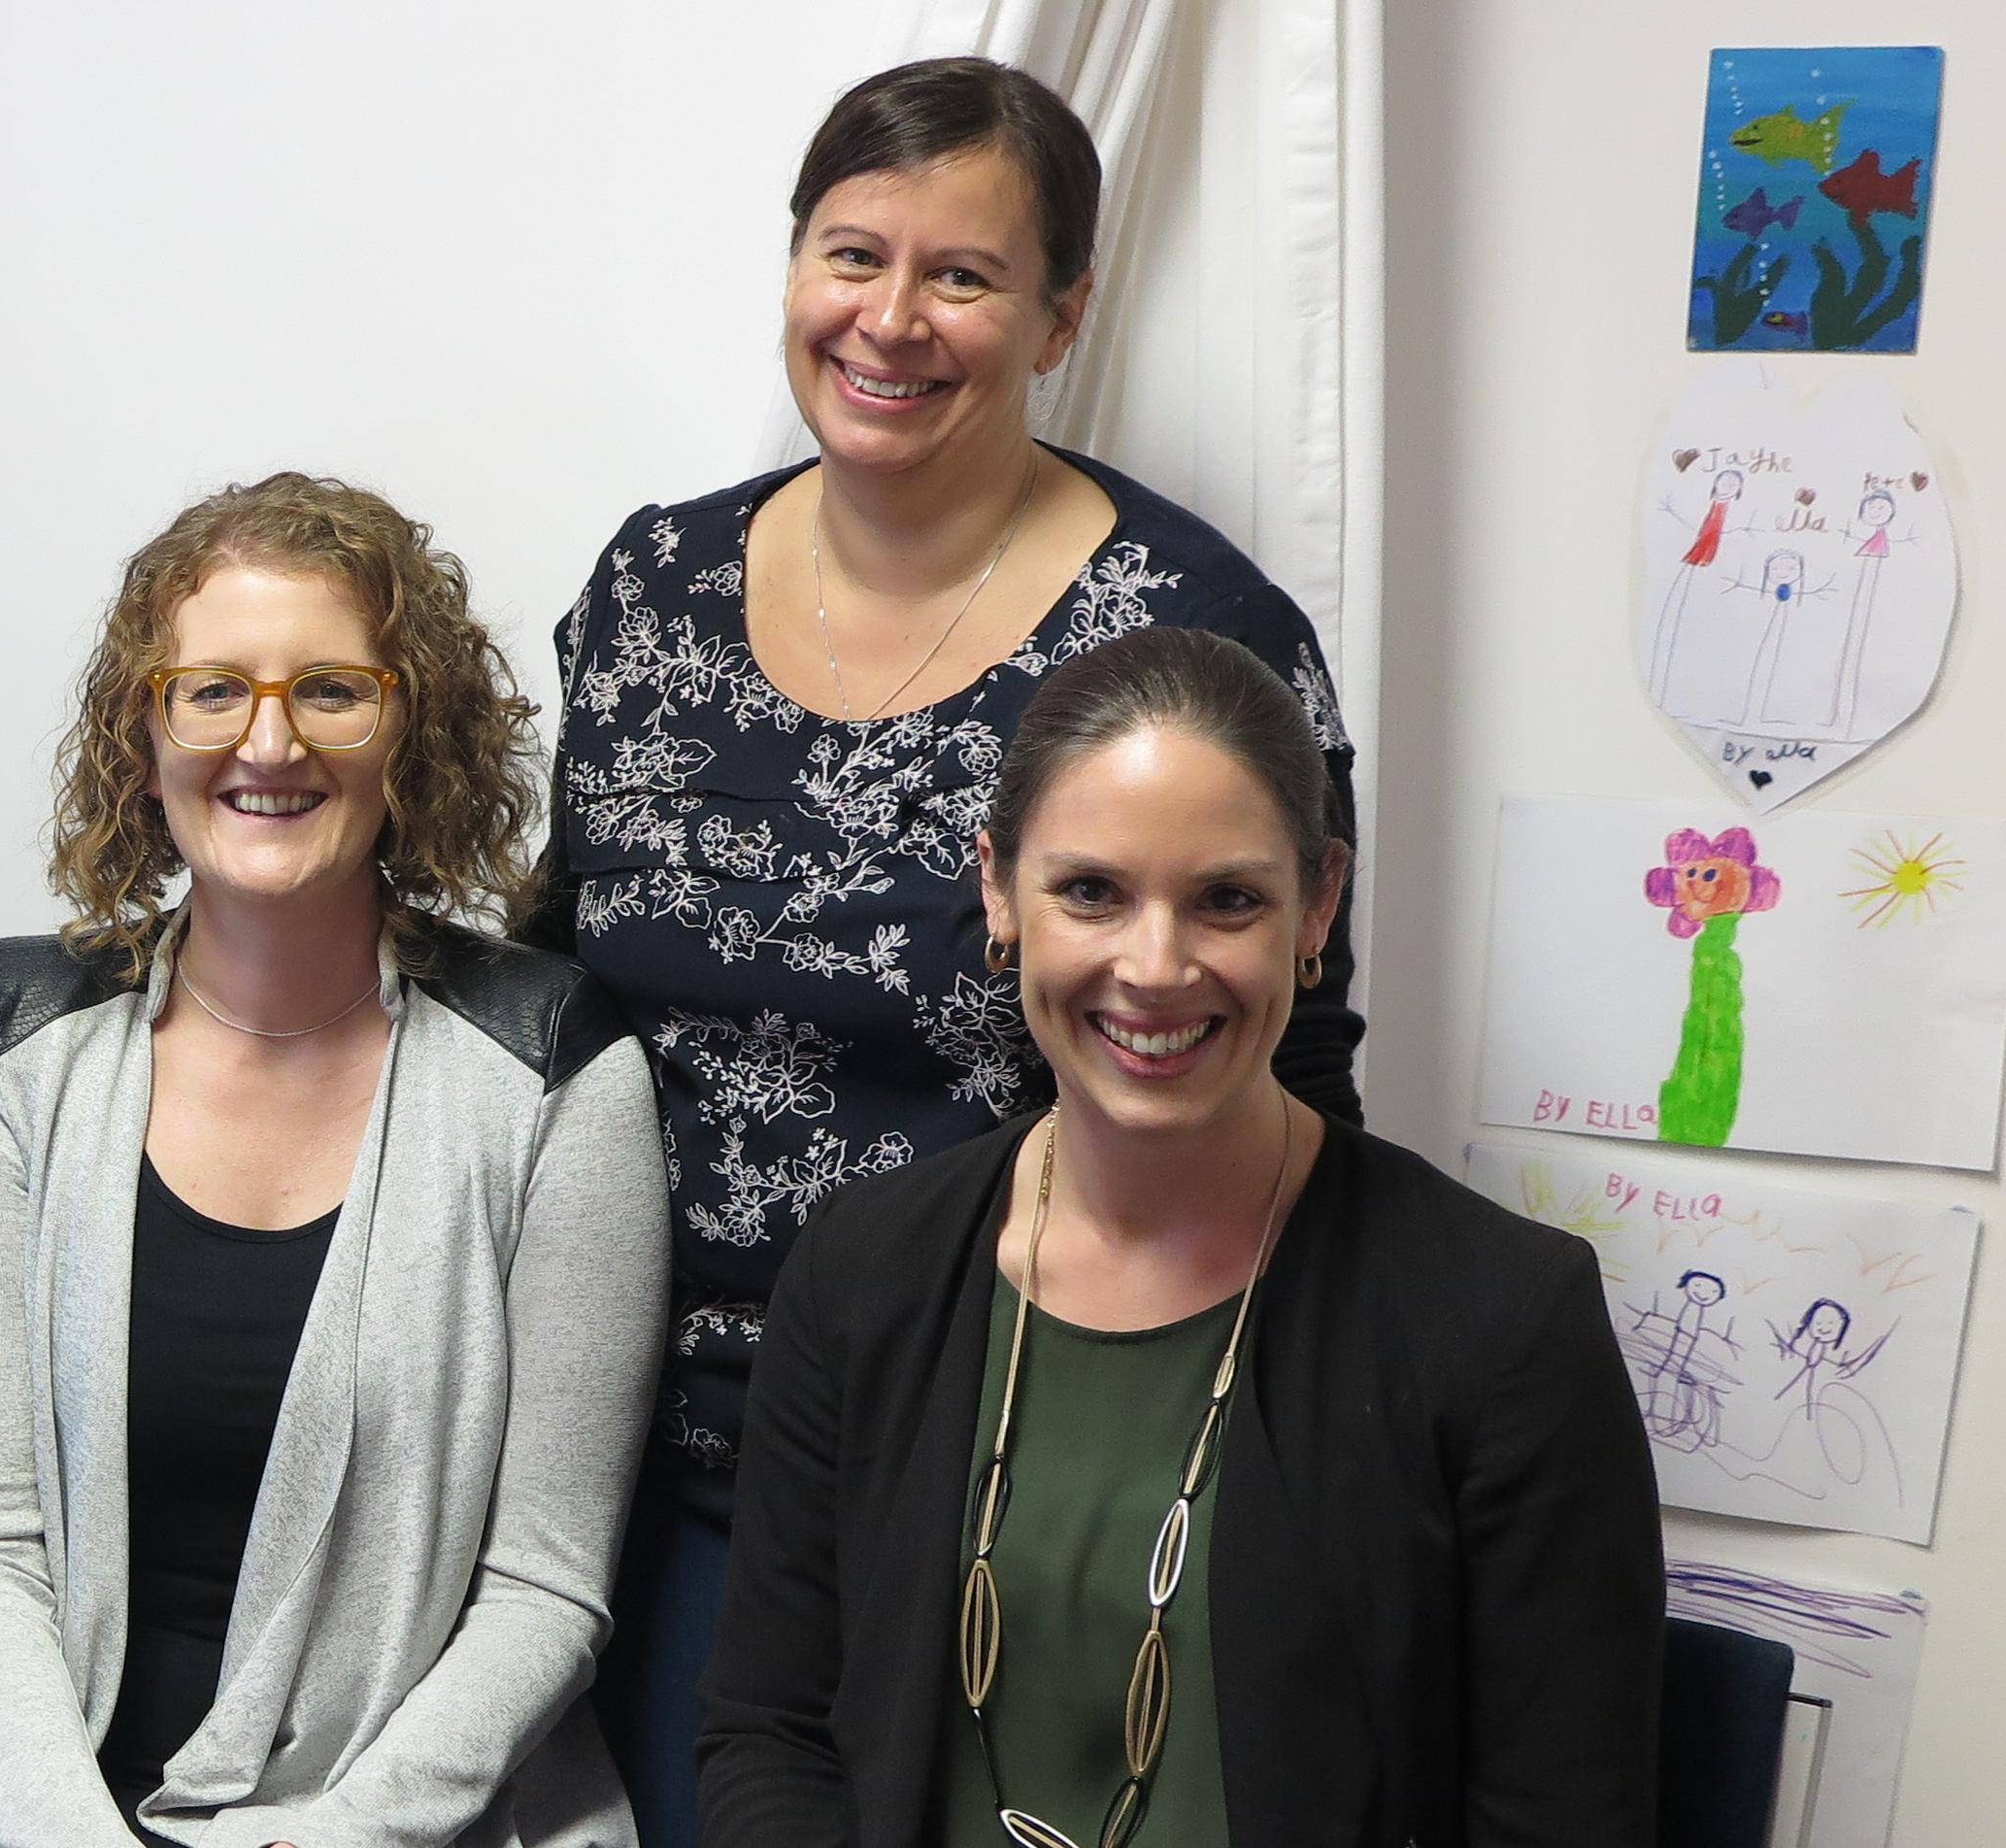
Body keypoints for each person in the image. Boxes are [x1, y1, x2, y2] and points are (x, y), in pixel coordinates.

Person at [528, 58, 1369, 1837]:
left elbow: (1293, 1068)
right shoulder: (650, 589)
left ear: (1066, 312)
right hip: (596, 1453)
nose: (889, 320)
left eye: (965, 277)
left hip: (991, 1454)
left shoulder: (1186, 633)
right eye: (850, 255)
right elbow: (557, 977)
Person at [699, 627, 1661, 1847]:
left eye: (1227, 900)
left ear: (1317, 903)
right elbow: (767, 1730)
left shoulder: (1502, 1319)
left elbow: (1563, 1819)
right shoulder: (863, 1264)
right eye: (1091, 890)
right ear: (998, 890)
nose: (1155, 968)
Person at [0, 475, 673, 1847]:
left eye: (330, 687)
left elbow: (543, 1589)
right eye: (209, 689)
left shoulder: (554, 1070)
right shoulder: (10, 1048)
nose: (267, 739)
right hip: (44, 1814)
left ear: (409, 731)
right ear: (142, 735)